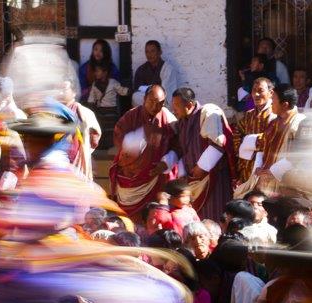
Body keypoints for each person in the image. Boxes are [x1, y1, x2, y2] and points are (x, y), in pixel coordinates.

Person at [109, 85, 178, 221]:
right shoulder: (130, 116)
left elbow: (177, 145)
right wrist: (139, 139)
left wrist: (165, 163)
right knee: (127, 220)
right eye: (151, 101)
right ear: (144, 99)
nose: (155, 106)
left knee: (153, 217)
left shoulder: (168, 119)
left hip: (155, 179)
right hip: (130, 178)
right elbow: (119, 138)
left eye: (160, 103)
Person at [170, 86, 232, 222]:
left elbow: (217, 144)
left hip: (213, 178)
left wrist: (201, 167)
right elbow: (182, 150)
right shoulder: (181, 123)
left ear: (190, 105)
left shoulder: (208, 112)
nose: (173, 110)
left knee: (215, 217)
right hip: (192, 181)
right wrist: (182, 174)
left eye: (176, 105)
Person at [236, 86, 304, 197]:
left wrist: (273, 171)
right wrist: (259, 168)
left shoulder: (299, 123)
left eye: (274, 100)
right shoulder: (274, 123)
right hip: (266, 180)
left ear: (285, 105)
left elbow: (297, 156)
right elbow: (263, 146)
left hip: (285, 184)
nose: (270, 102)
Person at [233, 77, 276, 186]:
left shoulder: (275, 114)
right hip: (246, 166)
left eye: (260, 91)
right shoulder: (249, 115)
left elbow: (272, 139)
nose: (256, 94)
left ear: (271, 93)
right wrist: (242, 149)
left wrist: (247, 142)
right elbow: (237, 133)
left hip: (266, 167)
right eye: (254, 90)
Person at [60, 78, 101, 181]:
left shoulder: (85, 113)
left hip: (78, 162)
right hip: (58, 165)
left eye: (64, 89)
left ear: (74, 92)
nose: (60, 93)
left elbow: (94, 138)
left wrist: (84, 151)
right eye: (58, 90)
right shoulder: (53, 113)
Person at [131, 40, 178, 108]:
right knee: (135, 96)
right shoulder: (141, 69)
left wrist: (154, 91)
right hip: (147, 99)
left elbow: (167, 90)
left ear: (160, 52)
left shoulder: (167, 68)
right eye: (147, 52)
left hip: (161, 100)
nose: (149, 54)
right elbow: (138, 89)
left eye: (153, 51)